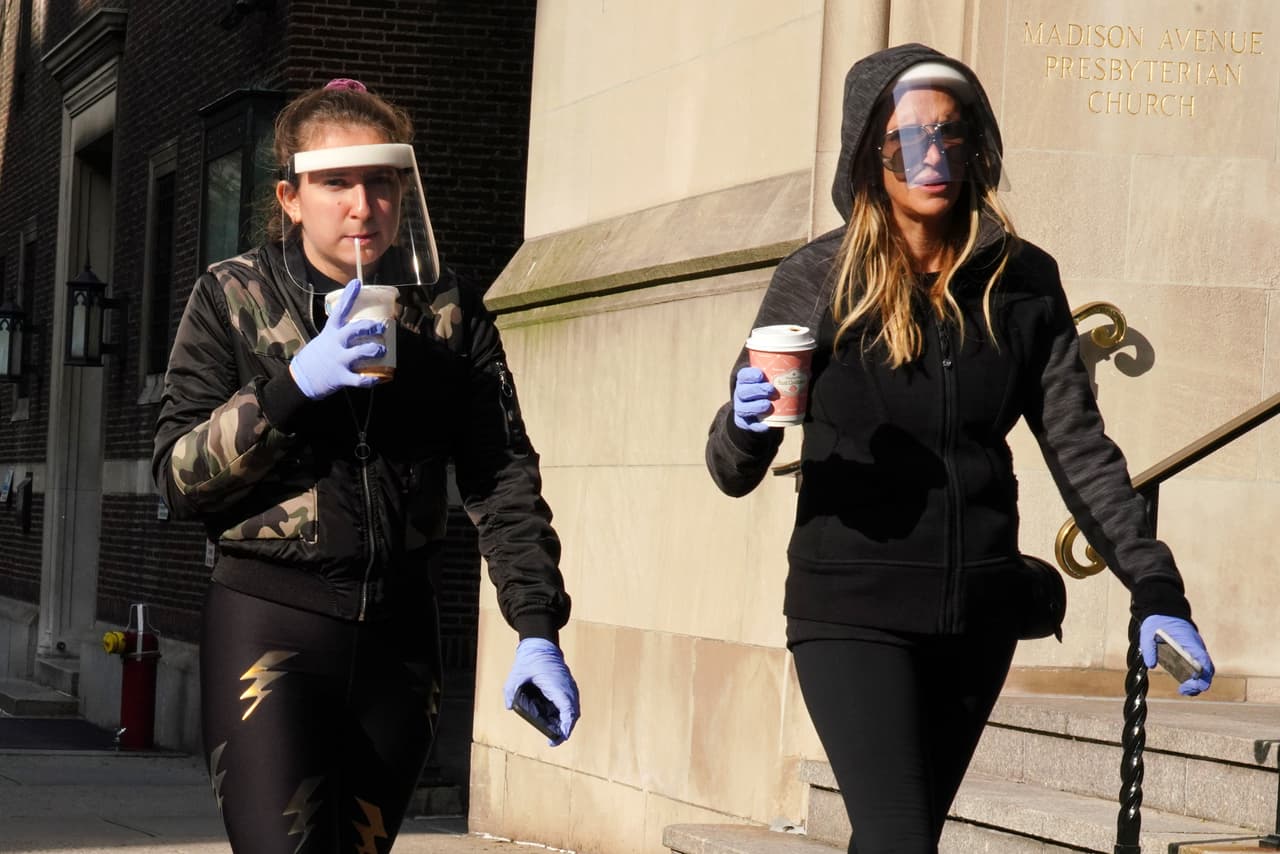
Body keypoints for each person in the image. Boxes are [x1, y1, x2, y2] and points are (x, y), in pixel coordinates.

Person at [704, 44, 1214, 853]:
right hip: (852, 608)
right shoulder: (819, 278)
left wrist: (1155, 584)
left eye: (950, 136)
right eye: (908, 141)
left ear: (977, 145)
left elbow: (1078, 446)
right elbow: (731, 470)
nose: (932, 157)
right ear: (869, 157)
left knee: (904, 839)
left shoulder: (1022, 283)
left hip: (977, 614)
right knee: (901, 837)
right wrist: (745, 420)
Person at [153, 78, 579, 853]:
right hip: (269, 624)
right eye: (335, 182)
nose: (362, 204)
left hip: (399, 636)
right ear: (290, 196)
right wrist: (291, 389)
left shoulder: (444, 310)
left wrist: (536, 626)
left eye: (380, 182)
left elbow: (502, 473)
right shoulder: (232, 296)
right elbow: (178, 478)